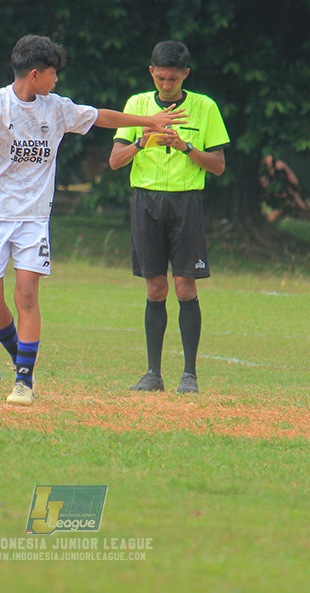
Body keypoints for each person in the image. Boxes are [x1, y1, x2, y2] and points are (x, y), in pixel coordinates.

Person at [0, 34, 188, 406]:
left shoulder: (55, 108)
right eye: (53, 74)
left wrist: (149, 120)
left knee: (26, 295)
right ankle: (20, 359)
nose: (56, 81)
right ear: (34, 74)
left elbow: (101, 116)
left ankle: (24, 381)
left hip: (33, 218)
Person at [108, 40, 228, 395]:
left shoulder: (205, 108)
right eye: (160, 78)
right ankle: (152, 373)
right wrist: (142, 142)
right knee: (156, 286)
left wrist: (186, 147)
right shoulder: (137, 106)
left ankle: (189, 374)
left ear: (185, 75)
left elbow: (219, 166)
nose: (165, 85)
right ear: (151, 73)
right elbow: (115, 161)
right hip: (145, 202)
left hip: (186, 202)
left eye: (173, 79)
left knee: (184, 285)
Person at [259, 155, 310, 224]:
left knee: (304, 210)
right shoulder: (270, 165)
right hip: (289, 192)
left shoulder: (276, 165)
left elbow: (291, 182)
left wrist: (296, 196)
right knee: (288, 211)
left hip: (291, 192)